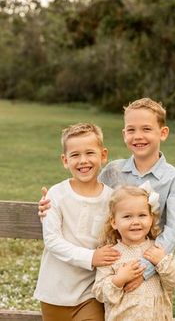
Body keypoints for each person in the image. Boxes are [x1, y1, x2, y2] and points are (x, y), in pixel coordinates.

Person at [38, 97, 175, 288]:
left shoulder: (174, 179)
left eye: (146, 129)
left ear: (163, 133)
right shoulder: (113, 171)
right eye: (131, 130)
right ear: (124, 134)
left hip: (152, 269)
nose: (138, 136)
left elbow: (173, 231)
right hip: (113, 267)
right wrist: (48, 208)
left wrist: (144, 270)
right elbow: (88, 197)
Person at [34, 123, 120, 321]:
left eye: (90, 153)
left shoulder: (112, 199)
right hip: (54, 292)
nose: (83, 161)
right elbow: (52, 241)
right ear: (65, 160)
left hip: (90, 293)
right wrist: (91, 258)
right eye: (75, 155)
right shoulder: (56, 195)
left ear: (103, 155)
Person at [92, 184, 175, 321]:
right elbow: (100, 293)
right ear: (114, 222)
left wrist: (161, 262)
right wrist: (118, 280)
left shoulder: (157, 250)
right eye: (127, 216)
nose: (136, 222)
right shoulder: (110, 254)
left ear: (151, 219)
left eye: (142, 215)